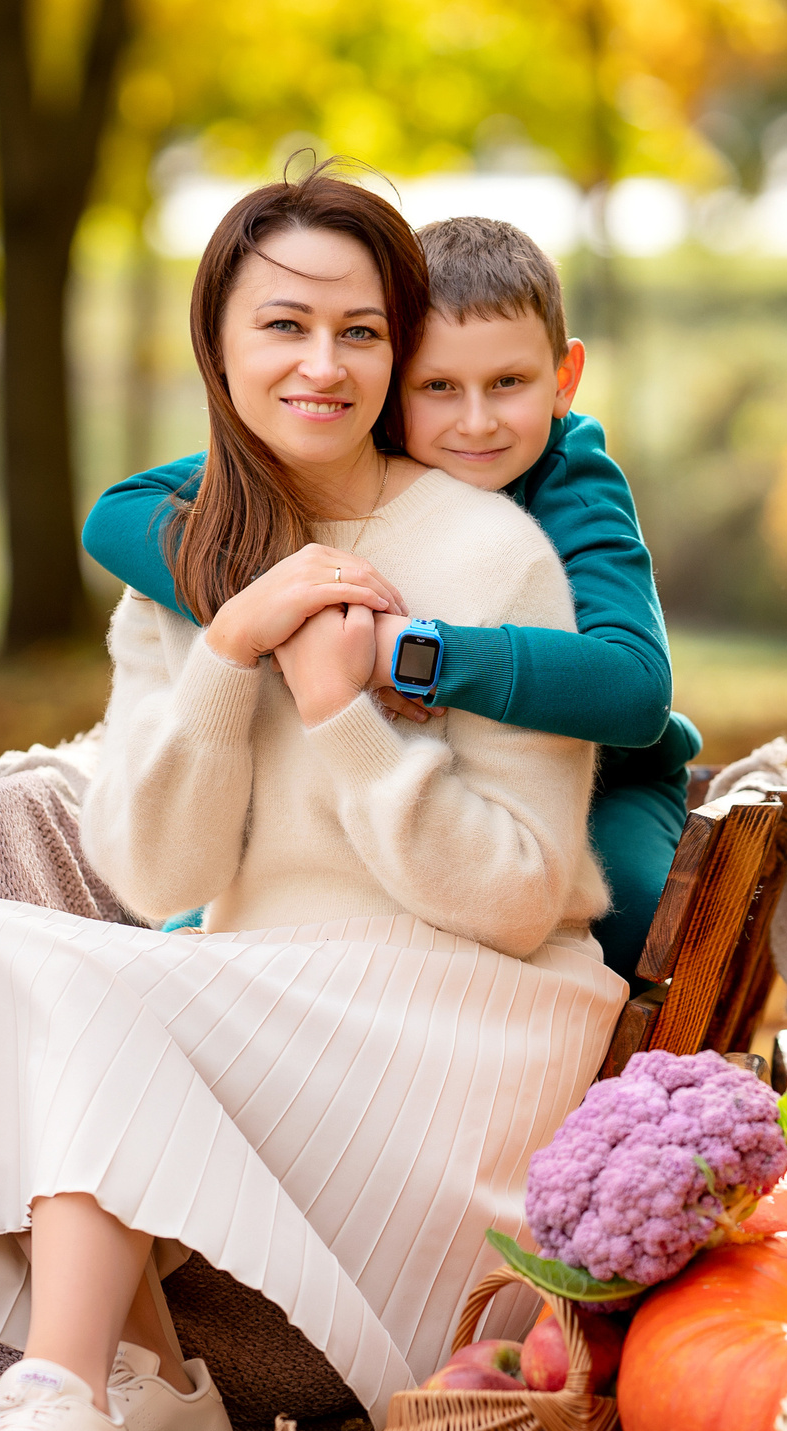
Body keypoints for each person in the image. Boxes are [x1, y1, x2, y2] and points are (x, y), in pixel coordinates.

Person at [0, 169, 626, 1431]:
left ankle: (56, 1397)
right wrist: (230, 647)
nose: (323, 365)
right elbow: (158, 875)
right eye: (284, 326)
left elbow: (518, 897)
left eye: (361, 332)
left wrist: (342, 710)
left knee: (88, 983)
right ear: (218, 344)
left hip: (465, 1022)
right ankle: (152, 1392)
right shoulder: (186, 566)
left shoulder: (488, 552)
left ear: (400, 346)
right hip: (265, 1001)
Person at [83, 214, 699, 981]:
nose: (477, 422)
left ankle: (646, 1086)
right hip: (418, 835)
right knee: (197, 916)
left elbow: (636, 690)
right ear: (394, 382)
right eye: (438, 386)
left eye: (508, 383)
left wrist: (403, 653)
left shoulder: (570, 475)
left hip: (616, 778)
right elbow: (116, 513)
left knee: (638, 915)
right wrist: (279, 611)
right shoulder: (364, 446)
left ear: (564, 379)